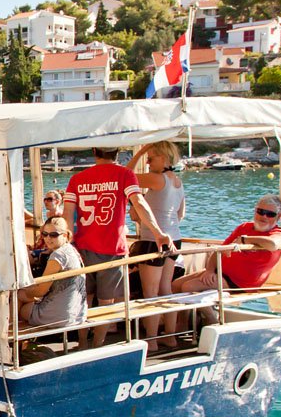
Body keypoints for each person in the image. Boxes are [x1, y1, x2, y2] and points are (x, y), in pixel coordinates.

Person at [62, 147, 173, 348]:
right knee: (107, 302)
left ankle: (81, 343)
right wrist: (158, 233)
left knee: (83, 298)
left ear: (95, 152)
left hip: (82, 248)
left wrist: (67, 244)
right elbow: (138, 202)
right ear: (118, 152)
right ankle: (98, 344)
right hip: (112, 249)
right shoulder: (124, 175)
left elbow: (68, 213)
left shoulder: (77, 178)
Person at [127, 142, 186, 350]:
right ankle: (170, 336)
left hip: (153, 240)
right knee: (166, 289)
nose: (148, 162)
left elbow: (126, 176)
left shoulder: (156, 179)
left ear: (164, 158)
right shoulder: (177, 182)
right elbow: (180, 214)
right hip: (174, 238)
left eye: (151, 158)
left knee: (150, 292)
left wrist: (140, 151)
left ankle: (151, 340)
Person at [173, 194, 281, 294]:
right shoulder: (244, 227)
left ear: (278, 217)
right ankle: (188, 319)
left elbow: (273, 244)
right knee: (175, 285)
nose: (264, 216)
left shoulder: (277, 233)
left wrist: (245, 240)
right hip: (220, 272)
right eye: (261, 211)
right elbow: (220, 250)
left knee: (189, 287)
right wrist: (209, 270)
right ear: (255, 211)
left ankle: (204, 317)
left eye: (270, 214)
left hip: (240, 283)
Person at [18, 216, 87, 328]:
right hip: (78, 312)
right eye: (45, 234)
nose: (48, 238)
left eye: (53, 235)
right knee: (26, 296)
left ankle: (10, 336)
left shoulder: (57, 256)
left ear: (64, 235)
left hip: (62, 316)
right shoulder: (71, 250)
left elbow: (41, 291)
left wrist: (26, 291)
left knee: (19, 298)